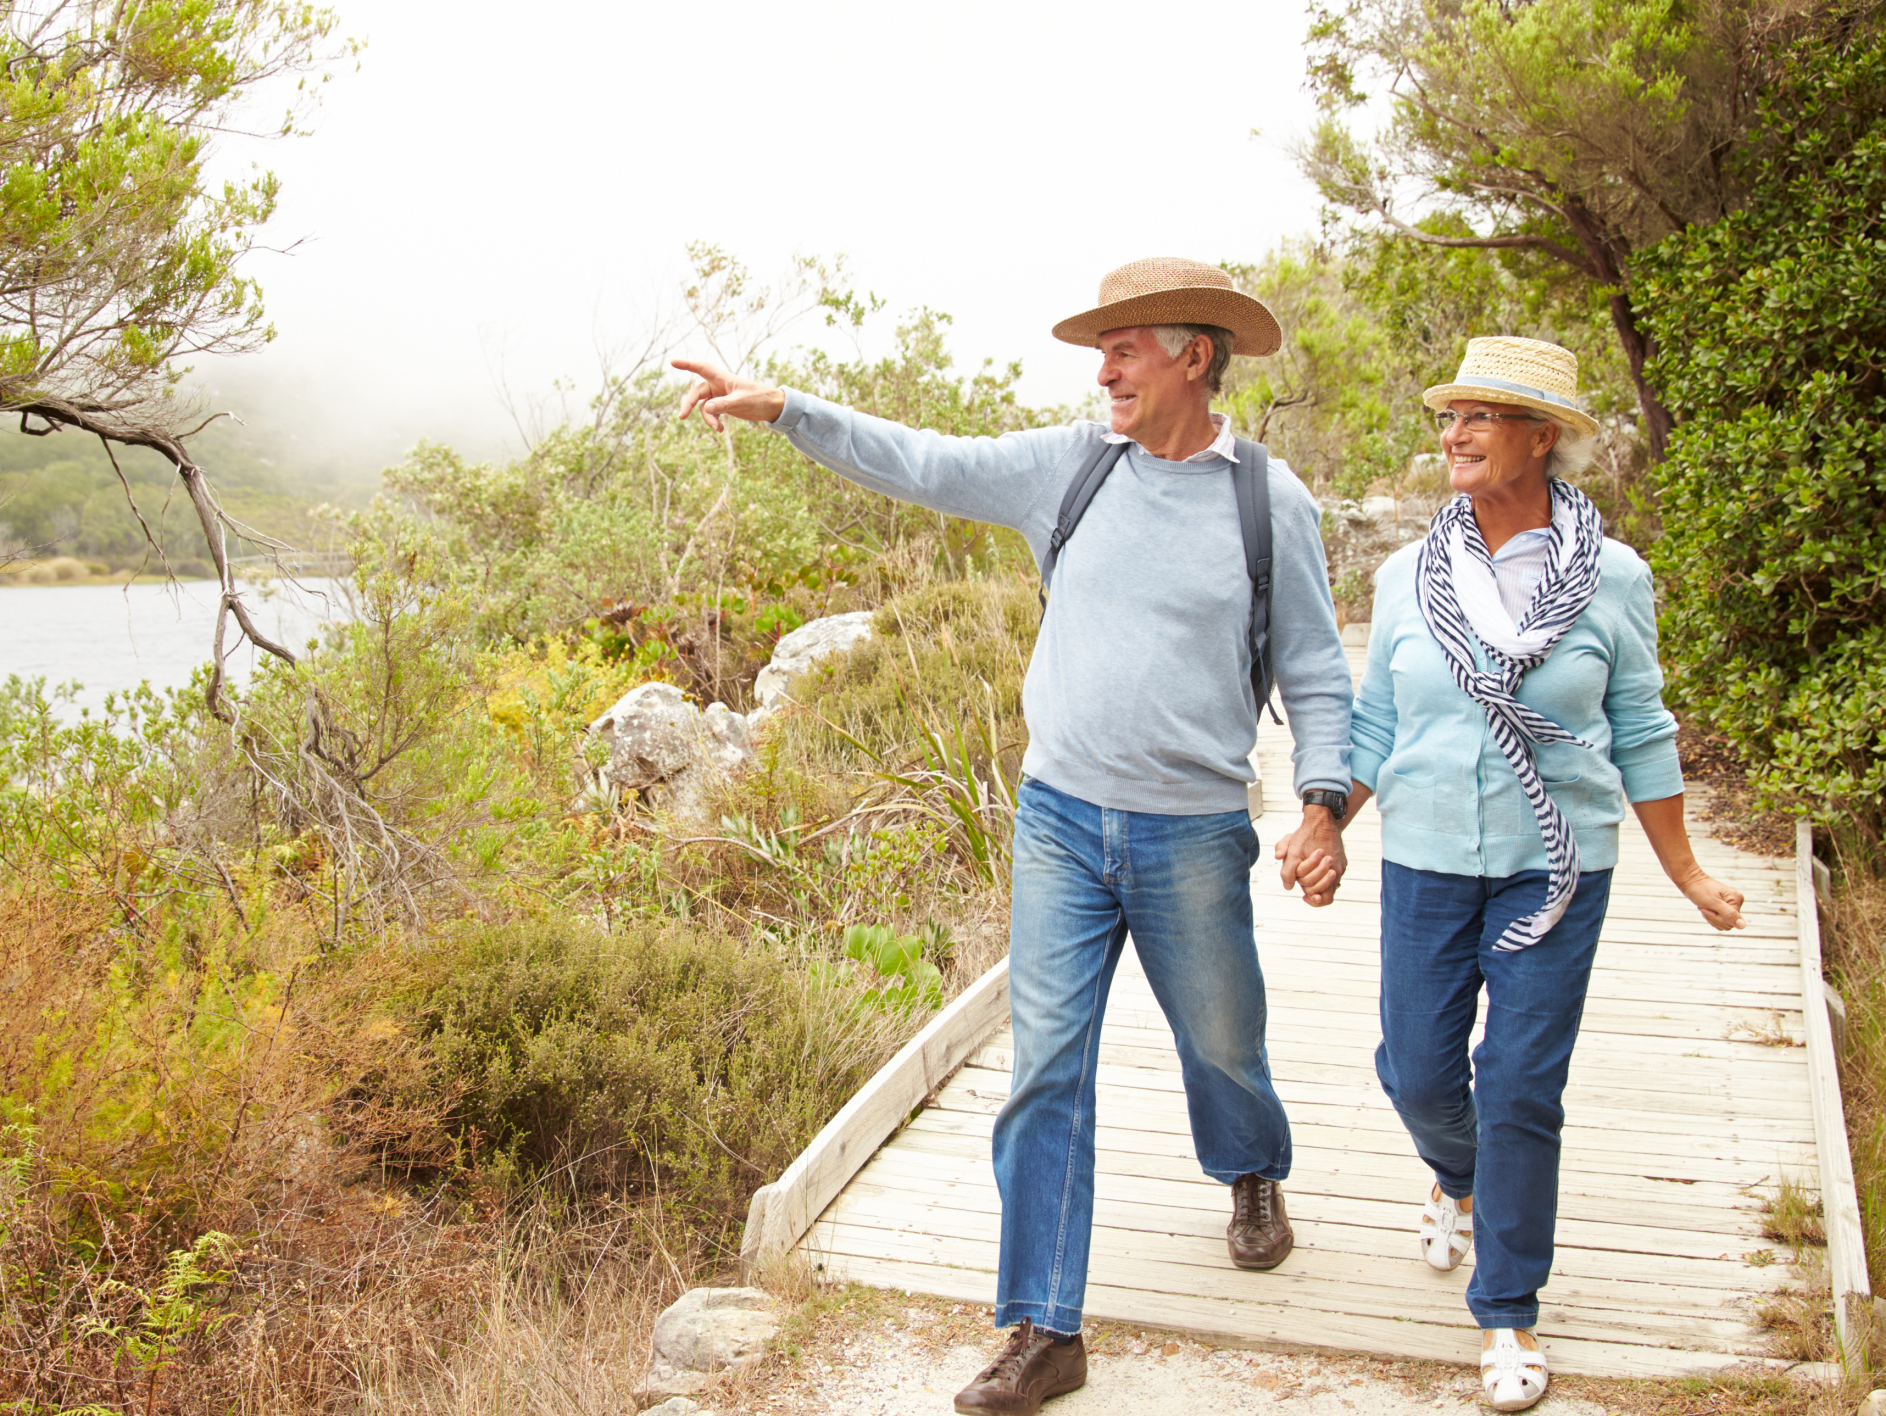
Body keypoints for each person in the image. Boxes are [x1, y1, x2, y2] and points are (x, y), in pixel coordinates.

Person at [677, 257, 1356, 1416]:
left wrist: (1323, 803)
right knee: (1046, 1068)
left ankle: (1250, 1168)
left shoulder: (1265, 501)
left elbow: (1315, 666)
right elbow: (925, 461)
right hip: (1059, 822)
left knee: (1221, 1043)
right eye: (1102, 354)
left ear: (1193, 356)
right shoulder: (1070, 466)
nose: (1103, 373)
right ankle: (1043, 1327)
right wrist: (786, 408)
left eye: (1124, 350)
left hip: (1193, 831)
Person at [1295, 337, 1747, 1411]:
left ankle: (1506, 1310)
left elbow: (1641, 727)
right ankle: (1458, 1179)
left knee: (1519, 1087)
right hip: (1425, 860)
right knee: (1417, 1073)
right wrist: (1325, 821)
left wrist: (1686, 870)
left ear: (1541, 438)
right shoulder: (1406, 576)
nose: (1453, 435)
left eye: (1480, 417)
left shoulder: (1613, 577)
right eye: (1448, 417)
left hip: (1558, 867)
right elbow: (1377, 722)